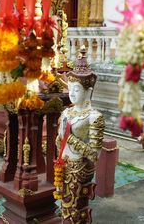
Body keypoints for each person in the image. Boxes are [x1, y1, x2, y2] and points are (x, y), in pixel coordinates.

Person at [56, 46, 105, 224]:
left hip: (80, 170)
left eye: (76, 89)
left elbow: (95, 154)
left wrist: (68, 138)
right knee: (64, 208)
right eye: (70, 88)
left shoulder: (94, 117)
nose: (72, 93)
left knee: (75, 211)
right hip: (63, 166)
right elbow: (59, 141)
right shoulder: (66, 113)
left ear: (88, 91)